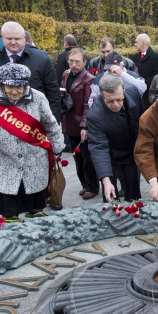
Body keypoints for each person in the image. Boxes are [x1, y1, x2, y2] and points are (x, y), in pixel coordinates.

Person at [0, 64, 65, 222]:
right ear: (2, 84)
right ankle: (10, 218)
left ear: (26, 84)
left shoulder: (38, 97)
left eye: (19, 87)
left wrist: (56, 148)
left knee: (35, 187)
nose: (14, 91)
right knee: (11, 189)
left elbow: (50, 124)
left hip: (35, 154)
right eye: (10, 86)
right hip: (5, 154)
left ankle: (36, 214)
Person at [0, 22, 62, 122]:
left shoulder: (42, 61)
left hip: (33, 122)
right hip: (0, 119)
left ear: (24, 38)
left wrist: (53, 122)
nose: (13, 42)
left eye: (17, 39)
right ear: (2, 38)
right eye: (9, 39)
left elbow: (53, 92)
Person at [87, 74, 143, 204]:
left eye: (119, 99)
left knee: (132, 183)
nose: (116, 104)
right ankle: (112, 214)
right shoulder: (94, 115)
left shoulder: (133, 92)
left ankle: (134, 211)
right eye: (110, 101)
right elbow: (99, 149)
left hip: (130, 148)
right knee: (109, 190)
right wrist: (106, 181)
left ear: (124, 90)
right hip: (109, 152)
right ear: (101, 94)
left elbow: (142, 119)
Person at [60, 48, 99, 201]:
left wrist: (84, 126)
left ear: (84, 63)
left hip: (81, 123)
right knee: (77, 157)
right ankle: (85, 184)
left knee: (87, 158)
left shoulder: (88, 79)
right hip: (69, 122)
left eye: (77, 61)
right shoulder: (66, 74)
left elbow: (87, 105)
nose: (74, 64)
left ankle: (93, 186)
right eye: (71, 61)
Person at [131, 33, 158, 109]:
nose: (135, 44)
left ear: (143, 43)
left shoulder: (155, 57)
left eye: (136, 42)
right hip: (135, 94)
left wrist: (142, 83)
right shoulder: (133, 58)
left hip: (148, 95)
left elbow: (156, 75)